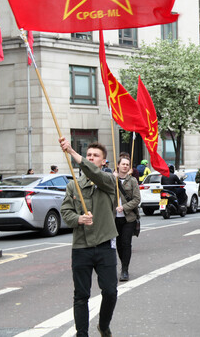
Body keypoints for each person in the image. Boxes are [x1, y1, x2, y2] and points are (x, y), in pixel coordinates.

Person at [59, 137, 118, 337]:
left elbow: (94, 174)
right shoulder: (73, 186)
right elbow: (65, 212)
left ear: (103, 162)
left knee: (110, 291)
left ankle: (103, 324)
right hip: (81, 246)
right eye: (89, 155)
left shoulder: (109, 181)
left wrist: (73, 153)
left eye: (96, 156)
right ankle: (81, 334)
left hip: (104, 244)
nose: (91, 158)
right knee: (81, 295)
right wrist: (79, 219)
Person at [114, 154, 140, 282]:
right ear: (118, 165)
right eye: (123, 164)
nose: (125, 166)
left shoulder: (132, 181)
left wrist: (124, 207)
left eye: (127, 165)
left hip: (128, 218)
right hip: (114, 218)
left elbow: (137, 199)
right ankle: (122, 263)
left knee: (126, 243)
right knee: (118, 244)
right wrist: (113, 180)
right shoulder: (112, 179)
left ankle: (125, 269)